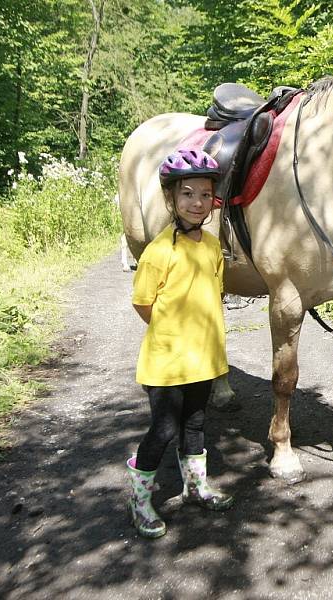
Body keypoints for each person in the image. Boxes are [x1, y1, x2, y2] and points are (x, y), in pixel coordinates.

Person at [124, 148, 233, 538]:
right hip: (168, 360)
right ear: (170, 198)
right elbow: (144, 303)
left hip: (203, 358)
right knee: (164, 429)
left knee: (196, 425)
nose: (197, 202)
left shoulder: (210, 245)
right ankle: (139, 499)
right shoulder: (157, 252)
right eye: (187, 193)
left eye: (205, 194)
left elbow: (212, 292)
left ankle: (196, 486)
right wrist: (174, 335)